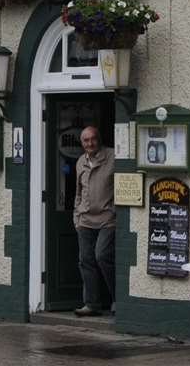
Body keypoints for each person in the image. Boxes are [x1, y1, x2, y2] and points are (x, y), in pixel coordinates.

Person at [73, 124, 114, 317]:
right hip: (85, 220)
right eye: (85, 140)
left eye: (93, 139)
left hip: (107, 219)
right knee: (86, 261)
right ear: (82, 143)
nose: (90, 143)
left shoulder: (112, 157)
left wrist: (114, 211)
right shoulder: (80, 161)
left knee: (102, 255)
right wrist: (77, 216)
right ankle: (92, 304)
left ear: (99, 139)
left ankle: (117, 299)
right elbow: (78, 192)